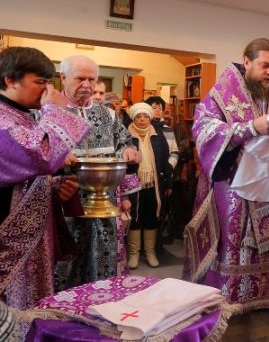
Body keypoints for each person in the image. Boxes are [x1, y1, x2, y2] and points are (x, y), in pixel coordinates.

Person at [183, 38, 269, 340]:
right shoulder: (221, 96)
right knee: (233, 254)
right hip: (235, 196)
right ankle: (227, 326)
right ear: (246, 62)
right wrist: (249, 128)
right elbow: (203, 132)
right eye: (265, 65)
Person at [0, 47, 89, 312]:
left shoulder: (20, 115)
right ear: (10, 80)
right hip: (10, 238)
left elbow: (20, 174)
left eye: (50, 83)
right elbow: (41, 155)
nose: (48, 90)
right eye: (40, 82)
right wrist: (54, 111)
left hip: (32, 237)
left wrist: (52, 186)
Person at [53, 55, 139, 292]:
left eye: (92, 79)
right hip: (66, 201)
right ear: (63, 77)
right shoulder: (49, 112)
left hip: (104, 202)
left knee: (102, 259)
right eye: (80, 78)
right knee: (64, 263)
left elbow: (124, 142)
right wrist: (57, 157)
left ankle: (100, 300)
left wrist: (128, 150)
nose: (87, 85)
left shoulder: (108, 114)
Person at [125, 103, 174, 269]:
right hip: (133, 185)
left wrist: (169, 182)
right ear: (133, 118)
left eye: (145, 116)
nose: (142, 120)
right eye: (138, 116)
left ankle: (150, 253)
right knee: (135, 217)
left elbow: (165, 161)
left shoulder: (158, 136)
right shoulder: (126, 136)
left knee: (152, 217)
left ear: (150, 118)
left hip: (154, 185)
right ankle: (134, 254)